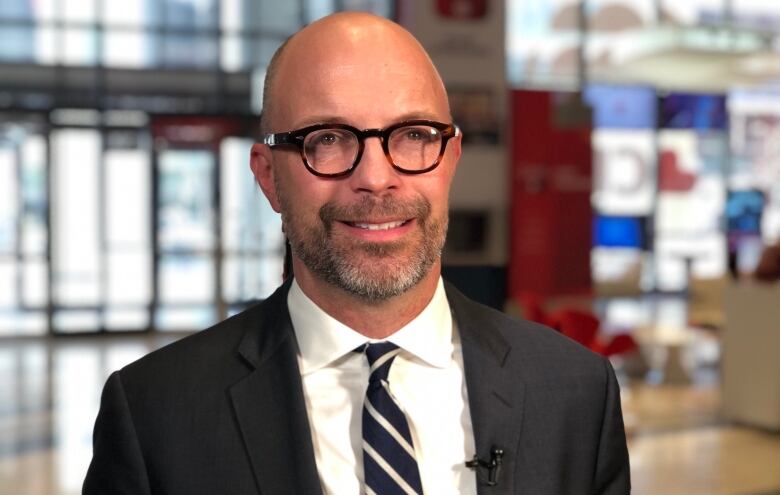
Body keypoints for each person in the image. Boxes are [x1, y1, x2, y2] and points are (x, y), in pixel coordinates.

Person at [83, 12, 630, 495]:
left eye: (413, 134)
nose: (375, 178)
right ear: (268, 177)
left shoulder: (575, 393)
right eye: (328, 138)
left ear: (451, 159)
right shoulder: (158, 413)